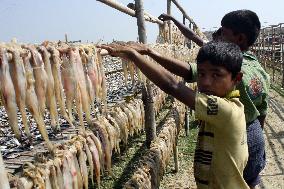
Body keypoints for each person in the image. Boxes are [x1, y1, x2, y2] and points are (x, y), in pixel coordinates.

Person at [139, 10, 269, 189]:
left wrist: (148, 53)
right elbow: (263, 111)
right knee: (248, 181)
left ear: (239, 38)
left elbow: (184, 74)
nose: (218, 36)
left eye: (223, 32)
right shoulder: (259, 69)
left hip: (231, 134)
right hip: (253, 133)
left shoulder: (226, 67)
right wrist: (174, 20)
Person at [100, 41, 249, 188]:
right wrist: (148, 51)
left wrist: (134, 55)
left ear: (236, 78)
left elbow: (173, 86)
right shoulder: (228, 105)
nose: (206, 82)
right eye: (201, 74)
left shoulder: (226, 110)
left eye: (216, 75)